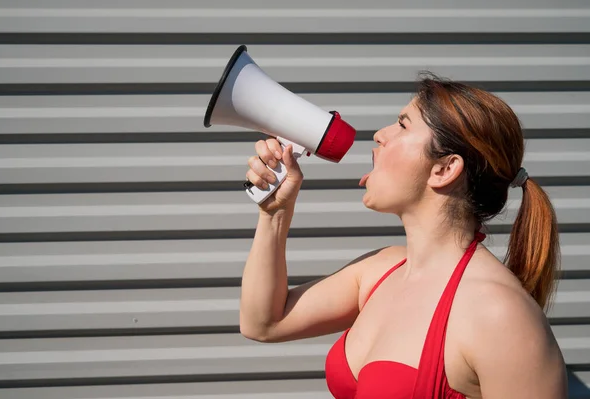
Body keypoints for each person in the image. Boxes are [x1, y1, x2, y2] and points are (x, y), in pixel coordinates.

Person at [239, 73, 568, 398]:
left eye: (403, 124)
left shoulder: (500, 316)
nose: (380, 135)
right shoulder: (382, 270)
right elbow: (263, 323)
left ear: (444, 169)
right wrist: (274, 213)